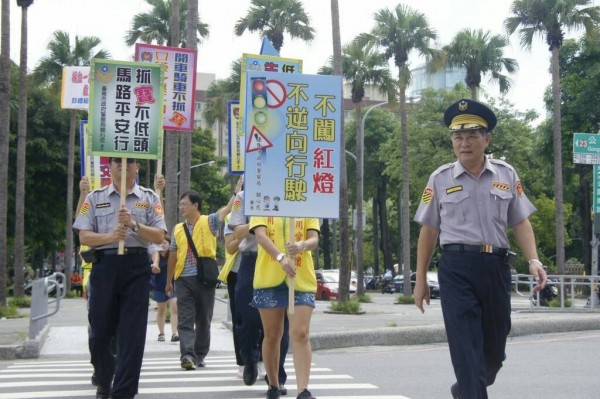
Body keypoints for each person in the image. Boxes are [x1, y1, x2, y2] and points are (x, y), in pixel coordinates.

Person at [413, 98, 548, 399]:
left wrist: (534, 260)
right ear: (452, 142)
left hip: (496, 268)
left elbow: (521, 222)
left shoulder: (506, 174)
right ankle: (471, 389)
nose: (464, 143)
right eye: (458, 137)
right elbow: (429, 231)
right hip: (456, 268)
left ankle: (465, 389)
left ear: (486, 139)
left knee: (493, 354)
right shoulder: (440, 178)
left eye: (472, 136)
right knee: (465, 348)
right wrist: (420, 279)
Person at [73, 157, 166, 399]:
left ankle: (123, 391)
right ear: (110, 166)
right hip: (104, 267)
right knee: (99, 332)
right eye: (116, 161)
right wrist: (111, 236)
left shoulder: (150, 198)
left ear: (137, 167)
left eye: (130, 161)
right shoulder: (94, 198)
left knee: (132, 335)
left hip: (136, 267)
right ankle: (104, 379)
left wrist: (134, 226)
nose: (122, 165)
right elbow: (83, 235)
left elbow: (159, 236)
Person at [166, 179, 241, 370]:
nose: (181, 207)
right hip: (183, 278)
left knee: (204, 319)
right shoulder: (177, 229)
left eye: (184, 204)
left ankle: (199, 355)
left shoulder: (209, 221)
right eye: (180, 204)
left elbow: (227, 209)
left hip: (205, 279)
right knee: (185, 318)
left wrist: (236, 192)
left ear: (195, 205)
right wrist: (169, 280)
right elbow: (173, 256)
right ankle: (187, 355)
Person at [250, 216, 320, 399]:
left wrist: (302, 245)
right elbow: (260, 235)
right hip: (269, 277)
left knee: (301, 333)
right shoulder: (263, 199)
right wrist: (281, 258)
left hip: (300, 278)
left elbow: (314, 238)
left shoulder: (306, 202)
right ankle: (273, 384)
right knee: (272, 334)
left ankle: (303, 390)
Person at [230, 190, 289, 392]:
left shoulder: (291, 190)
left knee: (282, 324)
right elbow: (237, 232)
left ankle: (277, 376)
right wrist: (258, 224)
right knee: (247, 318)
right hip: (252, 259)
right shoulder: (244, 196)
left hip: (280, 260)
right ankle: (249, 360)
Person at [218, 212, 244, 379]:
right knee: (239, 320)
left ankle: (261, 361)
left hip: (266, 270)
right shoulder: (233, 216)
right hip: (237, 272)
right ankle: (242, 363)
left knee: (263, 320)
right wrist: (247, 232)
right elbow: (229, 247)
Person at [150, 235, 179, 342]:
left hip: (172, 286)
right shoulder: (155, 256)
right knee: (161, 311)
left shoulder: (173, 255)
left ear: (169, 244)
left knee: (174, 308)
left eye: (165, 243)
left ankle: (174, 333)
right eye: (160, 243)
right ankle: (161, 333)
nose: (162, 245)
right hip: (159, 287)